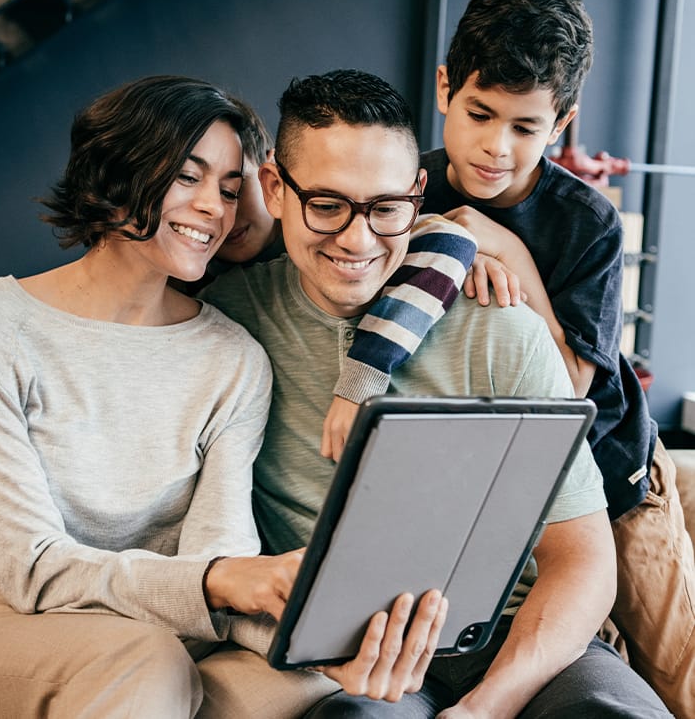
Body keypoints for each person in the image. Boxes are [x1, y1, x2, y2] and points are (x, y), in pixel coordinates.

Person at [0, 75, 449, 718]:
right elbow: (31, 570)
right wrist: (219, 581)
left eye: (228, 188)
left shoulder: (234, 357)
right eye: (187, 178)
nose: (214, 209)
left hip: (160, 634)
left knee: (305, 690)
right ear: (115, 174)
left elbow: (221, 557)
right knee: (143, 660)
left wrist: (321, 643)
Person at [197, 68, 670, 716]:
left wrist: (486, 707)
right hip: (351, 656)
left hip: (514, 636)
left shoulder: (503, 327)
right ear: (275, 188)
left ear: (419, 197)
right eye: (328, 205)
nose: (358, 240)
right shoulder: (223, 323)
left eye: (386, 209)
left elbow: (581, 559)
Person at [319, 0, 695, 718]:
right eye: (480, 114)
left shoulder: (584, 222)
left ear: (562, 125)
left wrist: (508, 256)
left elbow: (567, 393)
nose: (496, 148)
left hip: (612, 474)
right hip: (479, 474)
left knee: (678, 671)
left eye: (526, 128)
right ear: (443, 88)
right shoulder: (406, 186)